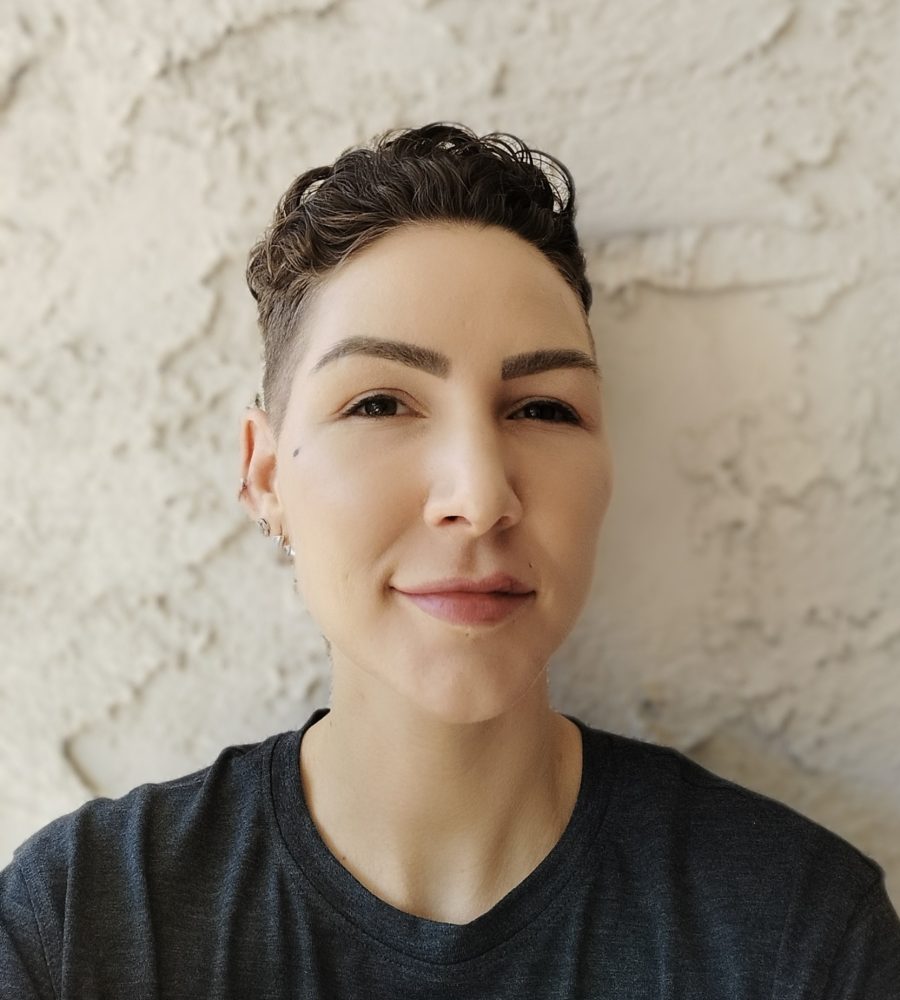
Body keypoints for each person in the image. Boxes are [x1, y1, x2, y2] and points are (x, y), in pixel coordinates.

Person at [1, 122, 898, 999]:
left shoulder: (798, 933)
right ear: (266, 474)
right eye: (381, 403)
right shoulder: (76, 926)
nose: (480, 495)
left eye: (543, 409)